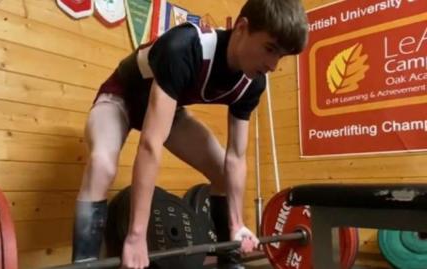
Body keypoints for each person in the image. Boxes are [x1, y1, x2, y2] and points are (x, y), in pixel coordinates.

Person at [71, 0, 308, 268]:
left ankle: (228, 260)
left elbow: (236, 158)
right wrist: (136, 236)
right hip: (121, 98)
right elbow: (150, 144)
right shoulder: (185, 46)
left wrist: (237, 224)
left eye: (281, 56)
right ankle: (84, 263)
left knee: (221, 170)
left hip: (167, 110)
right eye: (270, 49)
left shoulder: (252, 83)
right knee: (102, 164)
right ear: (242, 28)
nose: (273, 64)